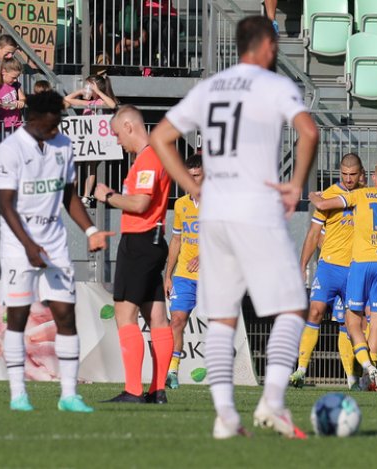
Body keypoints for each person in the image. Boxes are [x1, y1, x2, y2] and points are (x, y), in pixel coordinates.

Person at [150, 16, 318, 439]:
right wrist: (295, 184)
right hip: (254, 208)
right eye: (275, 44)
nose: (277, 51)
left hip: (214, 214)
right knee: (294, 306)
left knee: (222, 318)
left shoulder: (212, 87)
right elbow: (309, 132)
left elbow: (160, 136)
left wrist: (191, 186)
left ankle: (226, 415)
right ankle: (273, 403)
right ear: (265, 46)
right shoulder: (274, 85)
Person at [0, 90, 114, 412]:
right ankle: (19, 394)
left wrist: (89, 230)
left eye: (58, 125)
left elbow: (68, 194)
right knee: (18, 318)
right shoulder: (10, 149)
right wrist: (29, 245)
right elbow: (6, 205)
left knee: (65, 315)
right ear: (31, 120)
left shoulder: (64, 146)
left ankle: (69, 395)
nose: (55, 131)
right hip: (19, 247)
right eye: (50, 126)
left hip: (55, 244)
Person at [94, 105, 173, 405]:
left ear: (129, 126)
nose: (117, 141)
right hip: (152, 242)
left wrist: (109, 195)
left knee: (124, 314)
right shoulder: (154, 156)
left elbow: (140, 203)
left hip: (140, 241)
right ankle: (158, 390)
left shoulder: (148, 157)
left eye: (117, 134)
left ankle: (134, 390)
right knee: (156, 317)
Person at [309, 160, 377, 391]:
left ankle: (366, 367)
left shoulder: (362, 195)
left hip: (361, 263)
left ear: (373, 177)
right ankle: (370, 379)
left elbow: (324, 204)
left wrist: (314, 196)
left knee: (351, 321)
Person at [290, 153, 364, 389]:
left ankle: (352, 378)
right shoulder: (330, 195)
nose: (348, 179)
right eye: (344, 174)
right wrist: (302, 266)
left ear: (361, 173)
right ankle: (301, 370)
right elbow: (313, 235)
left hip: (355, 269)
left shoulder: (365, 196)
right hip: (329, 267)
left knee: (348, 324)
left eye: (353, 175)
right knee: (315, 312)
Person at [163, 152, 202, 389]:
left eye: (196, 176)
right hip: (185, 276)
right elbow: (176, 241)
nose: (192, 181)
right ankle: (172, 372)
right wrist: (168, 275)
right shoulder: (180, 205)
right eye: (189, 177)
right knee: (176, 321)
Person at [0, 58, 25, 140]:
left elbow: (23, 98)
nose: (15, 80)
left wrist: (21, 101)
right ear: (3, 72)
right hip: (3, 127)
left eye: (17, 77)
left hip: (17, 125)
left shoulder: (16, 85)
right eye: (13, 77)